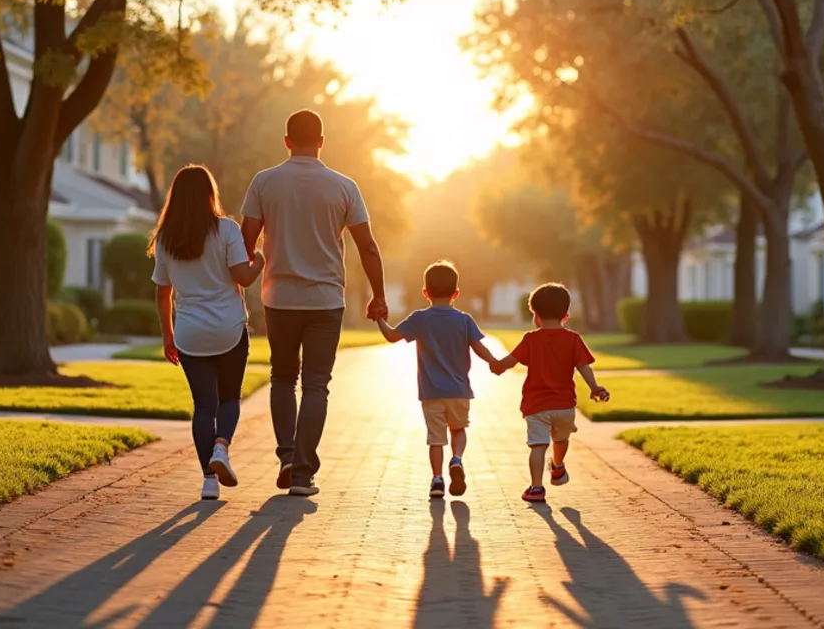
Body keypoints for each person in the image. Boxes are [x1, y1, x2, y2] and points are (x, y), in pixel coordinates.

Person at [241, 109, 387, 497]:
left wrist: (243, 277)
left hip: (279, 298)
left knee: (282, 377)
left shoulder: (264, 182)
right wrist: (378, 295)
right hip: (325, 300)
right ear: (322, 141)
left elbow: (245, 242)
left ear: (286, 141)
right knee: (316, 385)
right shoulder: (344, 186)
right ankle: (303, 474)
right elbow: (368, 247)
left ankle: (287, 457)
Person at [151, 165, 265, 501]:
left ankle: (208, 482)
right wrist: (259, 260)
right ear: (209, 194)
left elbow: (162, 293)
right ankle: (221, 448)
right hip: (229, 329)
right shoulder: (226, 229)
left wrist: (168, 336)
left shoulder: (166, 239)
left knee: (203, 406)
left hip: (190, 333)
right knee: (229, 398)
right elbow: (243, 277)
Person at [374, 261, 499, 499]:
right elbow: (479, 347)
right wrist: (495, 362)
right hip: (459, 391)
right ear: (456, 293)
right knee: (458, 429)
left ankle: (437, 479)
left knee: (436, 439)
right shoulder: (464, 320)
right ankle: (457, 459)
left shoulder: (420, 319)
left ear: (425, 292)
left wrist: (379, 318)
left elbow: (391, 336)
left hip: (431, 392)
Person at [490, 283, 610, 503]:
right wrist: (594, 387)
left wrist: (497, 365)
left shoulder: (530, 339)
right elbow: (584, 367)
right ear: (565, 315)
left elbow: (509, 361)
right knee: (561, 439)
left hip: (536, 406)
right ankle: (557, 466)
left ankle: (537, 488)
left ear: (536, 315)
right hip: (565, 405)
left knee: (538, 446)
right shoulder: (573, 339)